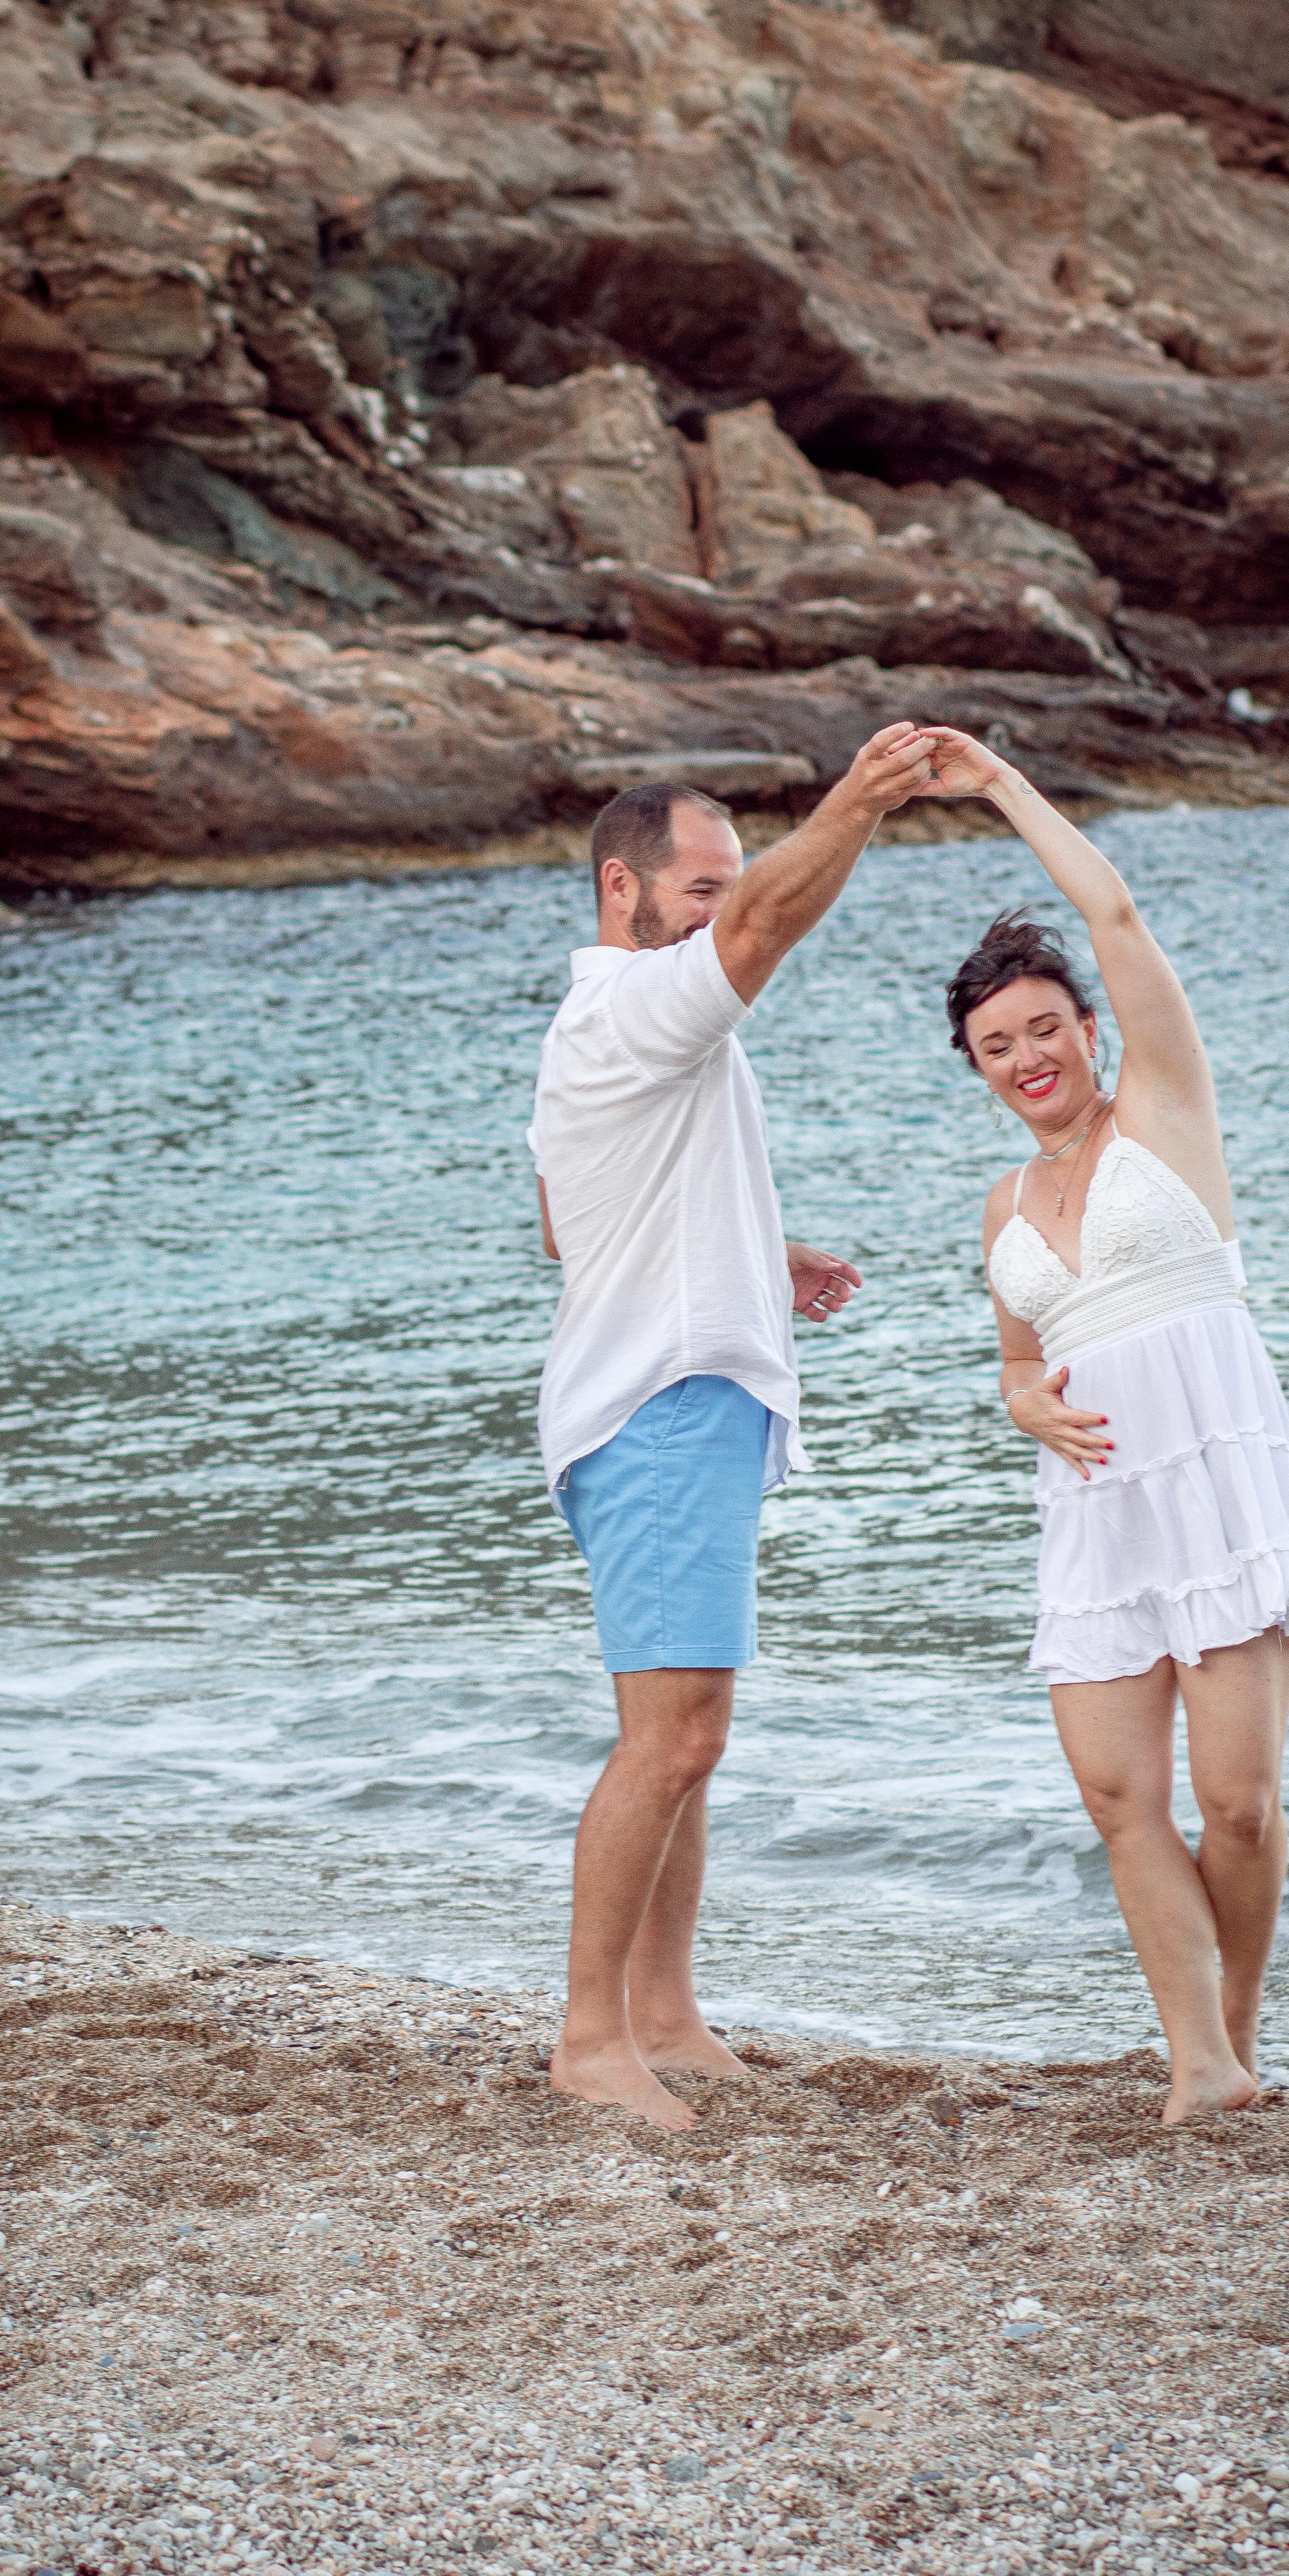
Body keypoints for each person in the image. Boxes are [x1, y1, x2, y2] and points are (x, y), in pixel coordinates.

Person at [923, 724, 1289, 2124]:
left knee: (1234, 1802)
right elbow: (1015, 1360)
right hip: (1098, 1511)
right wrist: (1019, 1402)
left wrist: (995, 783)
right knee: (1119, 1797)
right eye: (996, 1045)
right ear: (976, 1066)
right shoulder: (998, 1206)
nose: (1026, 1055)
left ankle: (1228, 2038)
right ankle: (1196, 2066)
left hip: (1219, 1484)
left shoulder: (1163, 1114)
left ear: (1086, 1027)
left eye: (1044, 1026)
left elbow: (1108, 911)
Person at [529, 731, 938, 2131]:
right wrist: (863, 801)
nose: (720, 910)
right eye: (696, 887)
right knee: (671, 1737)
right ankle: (590, 2037)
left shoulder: (621, 1033)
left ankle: (661, 2011)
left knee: (689, 1735)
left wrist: (757, 1254)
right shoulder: (631, 1005)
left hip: (673, 1401)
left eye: (721, 888)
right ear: (620, 890)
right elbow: (768, 923)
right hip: (652, 1413)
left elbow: (561, 1222)